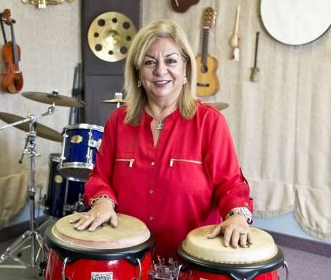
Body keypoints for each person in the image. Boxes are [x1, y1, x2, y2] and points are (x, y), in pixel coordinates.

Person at [70, 19, 253, 260]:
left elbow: (230, 184)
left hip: (190, 260)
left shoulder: (210, 122)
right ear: (137, 71)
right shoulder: (118, 121)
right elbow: (100, 177)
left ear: (185, 68)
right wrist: (102, 201)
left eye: (171, 61)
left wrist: (237, 216)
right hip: (128, 257)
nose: (160, 70)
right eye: (149, 62)